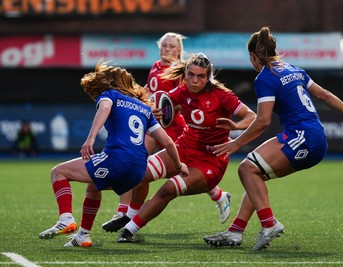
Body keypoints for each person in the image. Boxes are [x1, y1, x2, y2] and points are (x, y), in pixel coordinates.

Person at [203, 26, 343, 251]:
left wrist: (236, 142)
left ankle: (269, 224)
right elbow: (324, 95)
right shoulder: (294, 69)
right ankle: (236, 230)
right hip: (316, 136)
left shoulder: (265, 78)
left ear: (253, 56)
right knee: (256, 175)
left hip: (301, 136)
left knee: (246, 169)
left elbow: (263, 121)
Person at [38, 59, 188, 247]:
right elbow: (167, 141)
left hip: (117, 160)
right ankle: (83, 236)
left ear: (110, 83)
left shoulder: (110, 95)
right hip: (138, 172)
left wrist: (91, 138)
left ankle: (66, 218)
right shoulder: (145, 108)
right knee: (93, 186)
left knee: (58, 172)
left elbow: (105, 107)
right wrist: (178, 165)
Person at [113, 52, 256, 243]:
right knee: (138, 173)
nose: (194, 80)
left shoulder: (222, 96)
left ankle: (128, 231)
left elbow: (251, 117)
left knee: (167, 190)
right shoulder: (181, 91)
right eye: (191, 75)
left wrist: (236, 127)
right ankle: (130, 215)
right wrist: (154, 111)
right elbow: (164, 105)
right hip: (184, 147)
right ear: (185, 74)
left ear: (208, 77)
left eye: (200, 76)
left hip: (211, 160)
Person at [102, 32, 232, 231]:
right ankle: (125, 213)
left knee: (175, 167)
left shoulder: (183, 73)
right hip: (156, 126)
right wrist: (135, 99)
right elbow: (149, 90)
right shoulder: (155, 67)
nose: (167, 50)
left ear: (179, 50)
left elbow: (180, 102)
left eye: (172, 46)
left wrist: (162, 110)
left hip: (175, 128)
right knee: (137, 164)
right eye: (164, 46)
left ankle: (219, 195)